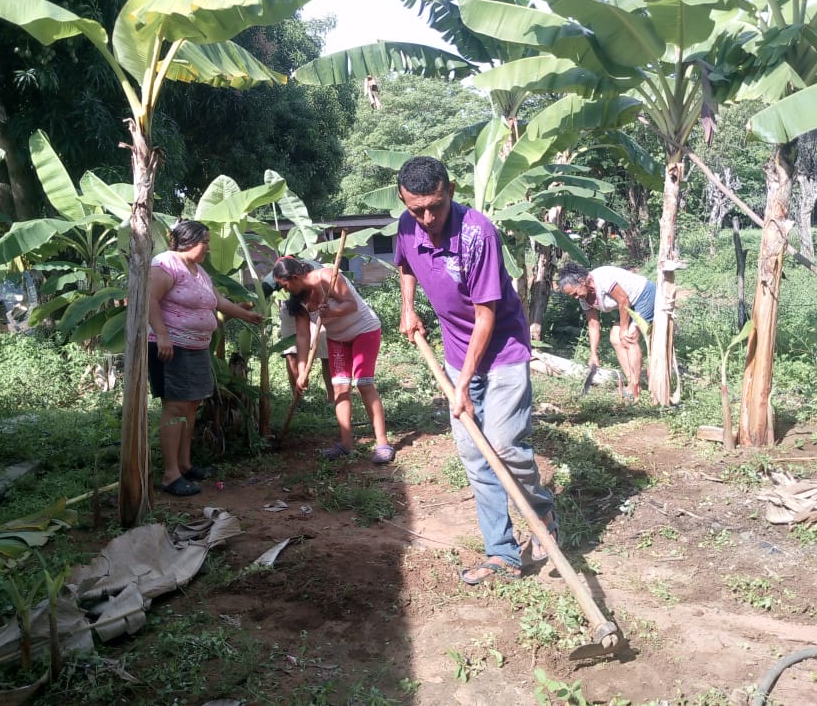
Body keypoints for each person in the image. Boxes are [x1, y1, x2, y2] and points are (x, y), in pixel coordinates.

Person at [394, 155, 557, 584]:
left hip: (502, 350)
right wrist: (408, 309)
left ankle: (542, 513)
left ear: (449, 190)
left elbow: (486, 316)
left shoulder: (477, 232)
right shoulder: (408, 225)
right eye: (417, 209)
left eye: (435, 206)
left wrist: (461, 384)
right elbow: (405, 264)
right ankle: (502, 553)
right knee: (474, 454)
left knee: (502, 444)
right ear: (404, 201)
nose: (427, 218)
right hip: (454, 351)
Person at [148, 220, 263, 496]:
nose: (208, 248)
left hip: (197, 348)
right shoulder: (165, 265)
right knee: (175, 408)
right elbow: (149, 300)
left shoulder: (198, 271)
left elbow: (217, 301)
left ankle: (185, 465)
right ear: (188, 242)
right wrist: (162, 335)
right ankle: (170, 474)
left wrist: (246, 314)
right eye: (205, 242)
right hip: (171, 347)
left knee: (190, 407)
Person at [272, 256, 394, 464]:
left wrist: (332, 311)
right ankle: (346, 444)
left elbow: (351, 304)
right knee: (339, 388)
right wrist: (302, 371)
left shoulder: (327, 276)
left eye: (285, 286)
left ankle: (382, 443)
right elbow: (302, 337)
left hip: (364, 330)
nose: (286, 291)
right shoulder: (299, 301)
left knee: (364, 384)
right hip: (337, 339)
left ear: (294, 277)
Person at [558, 262, 655, 400]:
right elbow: (593, 324)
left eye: (575, 293)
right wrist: (593, 354)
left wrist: (624, 328)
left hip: (644, 295)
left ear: (581, 282)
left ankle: (635, 386)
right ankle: (632, 382)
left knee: (628, 337)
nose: (575, 297)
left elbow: (624, 301)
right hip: (628, 304)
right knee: (615, 338)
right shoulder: (584, 298)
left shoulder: (602, 278)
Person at [261, 270, 335, 403]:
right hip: (291, 306)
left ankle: (332, 398)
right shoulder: (276, 275)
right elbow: (302, 335)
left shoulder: (317, 274)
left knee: (327, 353)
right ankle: (298, 398)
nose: (285, 288)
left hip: (317, 304)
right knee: (291, 352)